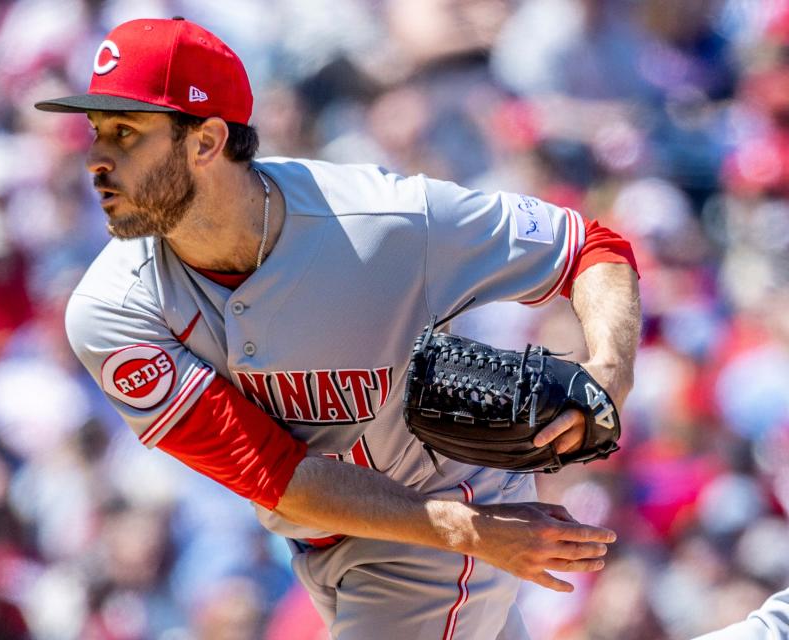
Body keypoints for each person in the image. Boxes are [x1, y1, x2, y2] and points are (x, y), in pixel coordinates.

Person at [35, 17, 641, 640]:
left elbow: (589, 246)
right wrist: (477, 535)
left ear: (206, 142)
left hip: (443, 518)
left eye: (126, 133)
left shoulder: (377, 219)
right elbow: (282, 479)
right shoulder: (114, 310)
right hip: (337, 538)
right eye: (97, 132)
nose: (96, 160)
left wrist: (611, 370)